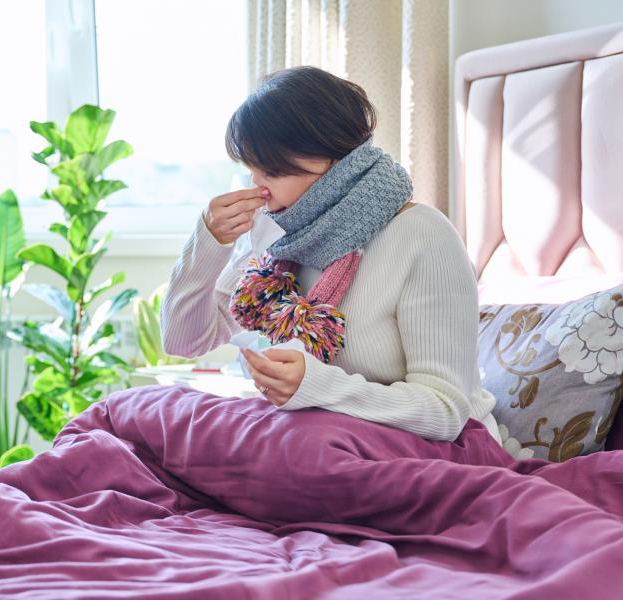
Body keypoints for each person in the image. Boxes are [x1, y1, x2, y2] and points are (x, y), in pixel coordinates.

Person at [161, 66, 500, 444]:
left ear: (336, 164)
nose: (257, 188)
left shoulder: (424, 236)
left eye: (271, 171)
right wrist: (208, 241)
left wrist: (316, 386)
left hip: (435, 451)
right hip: (321, 443)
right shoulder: (278, 236)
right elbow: (182, 342)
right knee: (149, 415)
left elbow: (445, 411)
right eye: (250, 170)